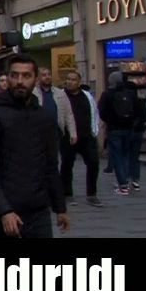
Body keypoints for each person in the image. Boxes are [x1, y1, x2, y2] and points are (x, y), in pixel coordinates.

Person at [0, 54, 69, 238]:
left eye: (26, 76)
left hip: (38, 211)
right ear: (8, 78)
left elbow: (51, 166)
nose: (20, 81)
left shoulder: (44, 118)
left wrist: (60, 208)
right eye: (15, 75)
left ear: (35, 79)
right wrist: (4, 210)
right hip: (5, 212)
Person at [98, 71, 146, 196]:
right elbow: (138, 110)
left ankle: (123, 185)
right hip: (128, 129)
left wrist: (109, 121)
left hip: (114, 129)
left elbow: (101, 111)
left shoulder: (107, 94)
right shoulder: (130, 93)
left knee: (117, 156)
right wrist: (131, 122)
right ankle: (127, 180)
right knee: (126, 155)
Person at [62, 71, 103, 207]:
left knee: (93, 163)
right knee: (67, 165)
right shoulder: (61, 96)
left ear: (79, 82)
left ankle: (92, 194)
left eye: (73, 80)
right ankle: (67, 194)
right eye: (68, 79)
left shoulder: (87, 96)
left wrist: (95, 130)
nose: (70, 82)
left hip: (87, 136)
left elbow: (94, 112)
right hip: (67, 137)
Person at [34, 67, 78, 148]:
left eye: (49, 74)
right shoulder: (33, 93)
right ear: (38, 78)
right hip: (38, 133)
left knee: (53, 158)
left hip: (56, 132)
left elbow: (68, 114)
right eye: (44, 75)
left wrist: (73, 133)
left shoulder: (60, 93)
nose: (47, 77)